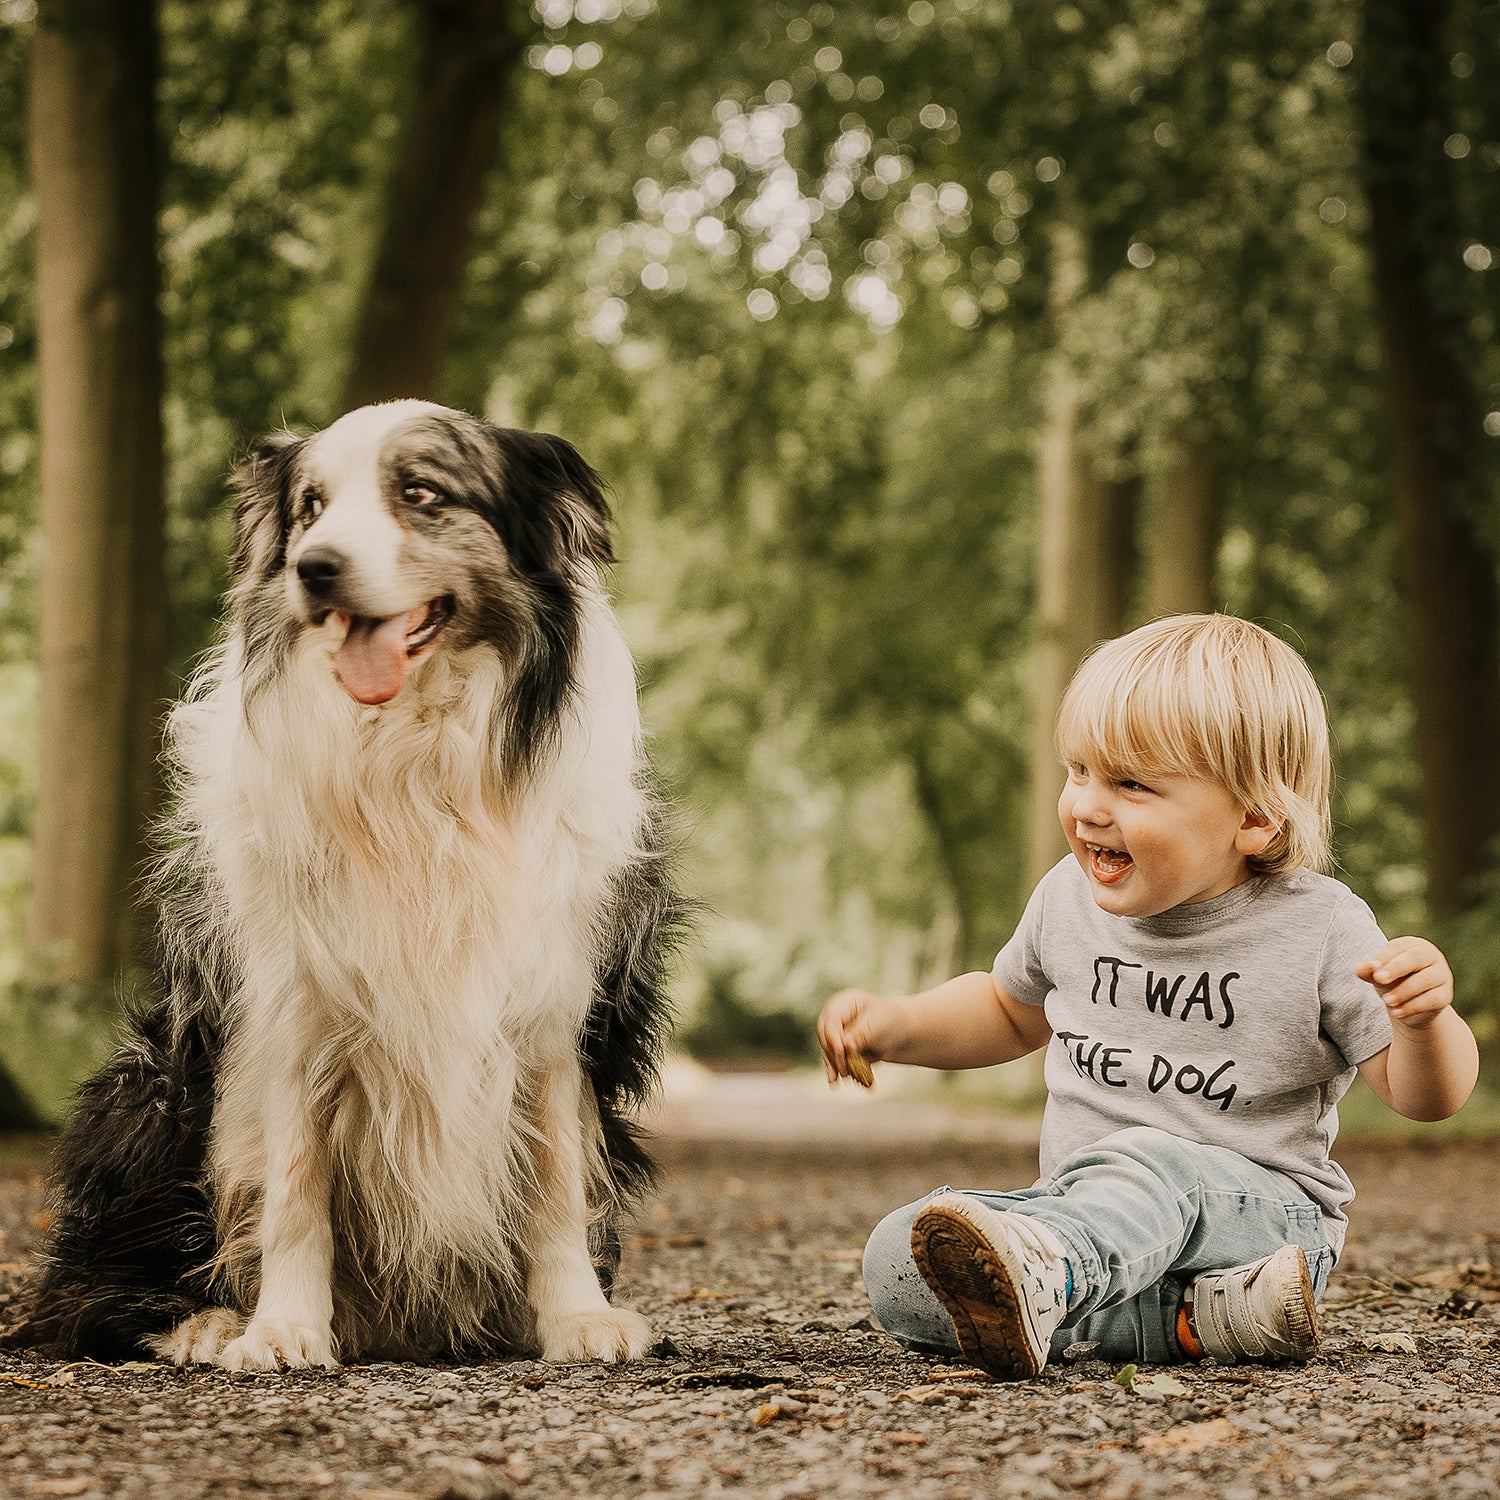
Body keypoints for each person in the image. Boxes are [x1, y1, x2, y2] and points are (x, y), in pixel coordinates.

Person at [818, 614, 1478, 1380]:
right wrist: (897, 1025)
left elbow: (1424, 1096)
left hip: (1261, 1218)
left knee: (1153, 1162)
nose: (1089, 807)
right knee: (901, 1255)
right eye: (1078, 772)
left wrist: (1425, 1020)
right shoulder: (1067, 899)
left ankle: (1057, 1274)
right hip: (1096, 1223)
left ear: (1256, 817)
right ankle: (1203, 1321)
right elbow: (1007, 1011)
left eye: (1131, 784)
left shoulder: (1321, 925)